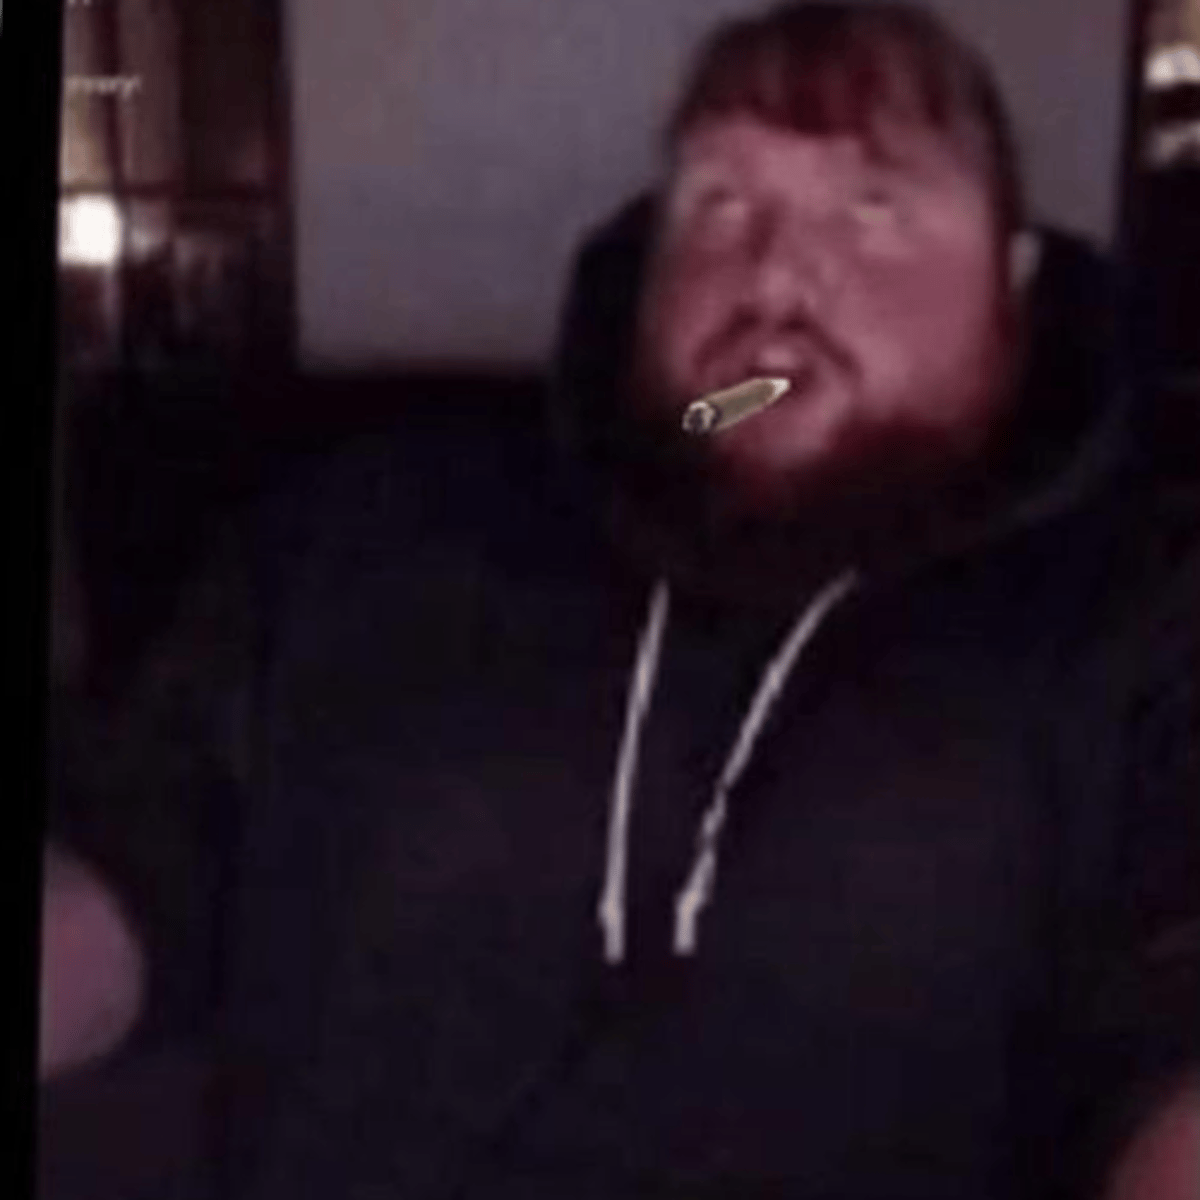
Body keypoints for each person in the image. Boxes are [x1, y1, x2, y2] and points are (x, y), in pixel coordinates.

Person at [56, 4, 1199, 1198]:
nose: (775, 275)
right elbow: (134, 863)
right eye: (721, 201)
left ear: (1016, 276)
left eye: (874, 207)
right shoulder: (373, 526)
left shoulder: (1137, 615)